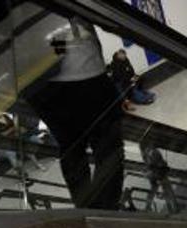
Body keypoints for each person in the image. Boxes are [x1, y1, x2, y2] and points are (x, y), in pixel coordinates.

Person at [29, 18, 124, 209]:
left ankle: (86, 209)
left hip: (41, 85)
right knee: (108, 149)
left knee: (72, 149)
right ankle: (104, 212)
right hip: (85, 76)